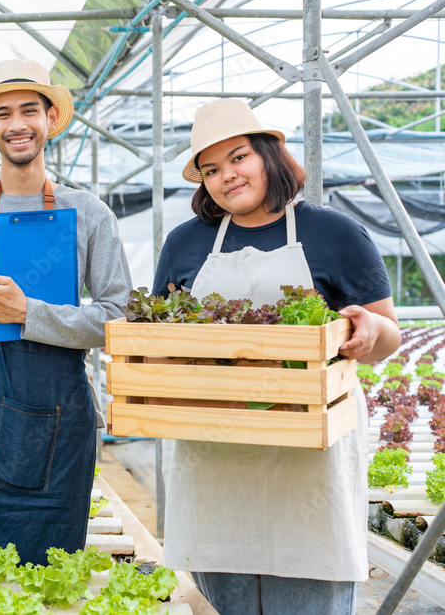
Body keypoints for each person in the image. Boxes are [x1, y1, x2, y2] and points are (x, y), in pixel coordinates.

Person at [153, 98, 401, 614]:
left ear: (269, 155)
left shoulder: (334, 233)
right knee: (227, 595)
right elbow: (161, 339)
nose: (228, 176)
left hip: (310, 458)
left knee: (312, 593)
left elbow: (388, 334)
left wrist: (366, 330)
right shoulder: (184, 243)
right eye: (211, 169)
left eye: (239, 157)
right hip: (214, 455)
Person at [0, 59, 132, 565]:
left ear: (51, 118)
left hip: (59, 428)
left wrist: (29, 312)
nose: (17, 124)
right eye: (3, 114)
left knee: (49, 577)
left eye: (29, 111)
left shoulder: (88, 211)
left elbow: (118, 319)